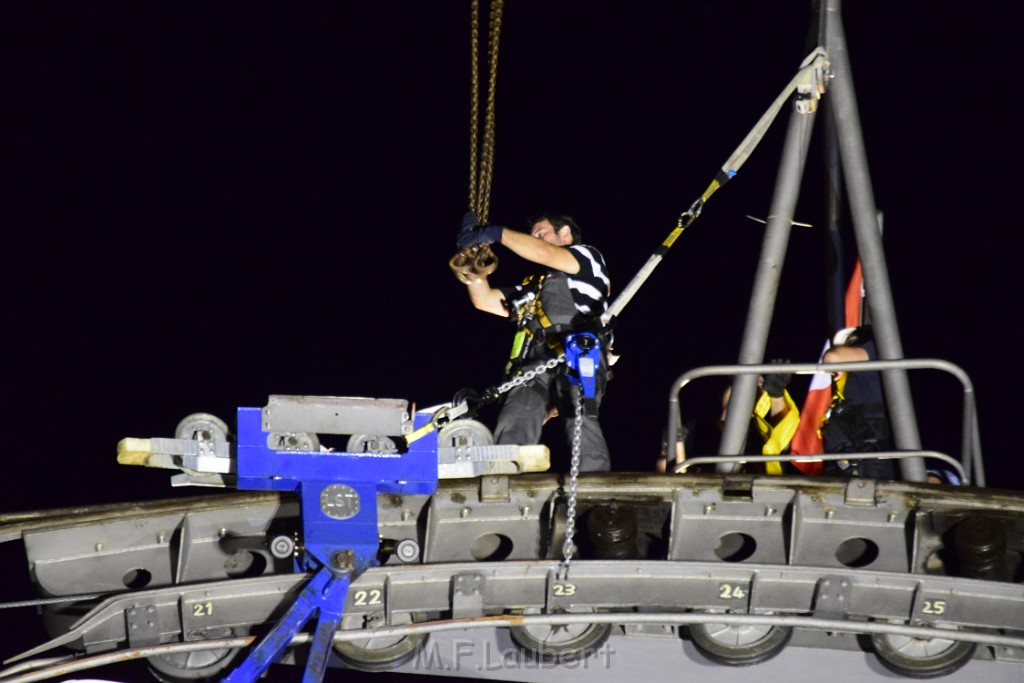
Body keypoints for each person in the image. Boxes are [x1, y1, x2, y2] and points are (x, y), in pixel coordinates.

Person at [455, 212, 612, 472]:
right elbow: (484, 300)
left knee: (579, 415)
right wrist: (472, 266)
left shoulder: (586, 259)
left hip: (576, 353)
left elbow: (545, 254)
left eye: (541, 234)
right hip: (534, 365)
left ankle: (593, 478)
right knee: (515, 419)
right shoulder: (533, 287)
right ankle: (503, 478)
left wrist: (495, 233)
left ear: (565, 235)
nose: (534, 240)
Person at [820, 325, 897, 479]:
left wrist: (840, 360)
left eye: (850, 345)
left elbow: (832, 358)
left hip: (867, 466)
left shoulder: (874, 349)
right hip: (853, 464)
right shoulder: (859, 378)